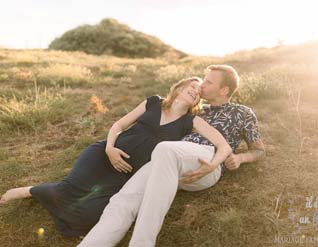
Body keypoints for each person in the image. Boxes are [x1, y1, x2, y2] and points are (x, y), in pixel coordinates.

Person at [0, 76, 232, 237]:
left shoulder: (190, 121)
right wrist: (110, 149)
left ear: (197, 101)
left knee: (90, 215)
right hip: (103, 155)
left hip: (127, 174)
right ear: (179, 88)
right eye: (191, 85)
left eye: (199, 91)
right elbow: (119, 124)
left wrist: (211, 166)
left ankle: (53, 199)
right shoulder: (154, 102)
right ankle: (28, 191)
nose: (195, 90)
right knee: (68, 190)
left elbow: (224, 146)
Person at [78, 64, 266, 247]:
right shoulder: (197, 110)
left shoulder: (243, 113)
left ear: (224, 90)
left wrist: (239, 158)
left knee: (164, 148)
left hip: (206, 161)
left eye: (208, 82)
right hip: (172, 159)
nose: (202, 86)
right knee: (124, 200)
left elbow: (259, 150)